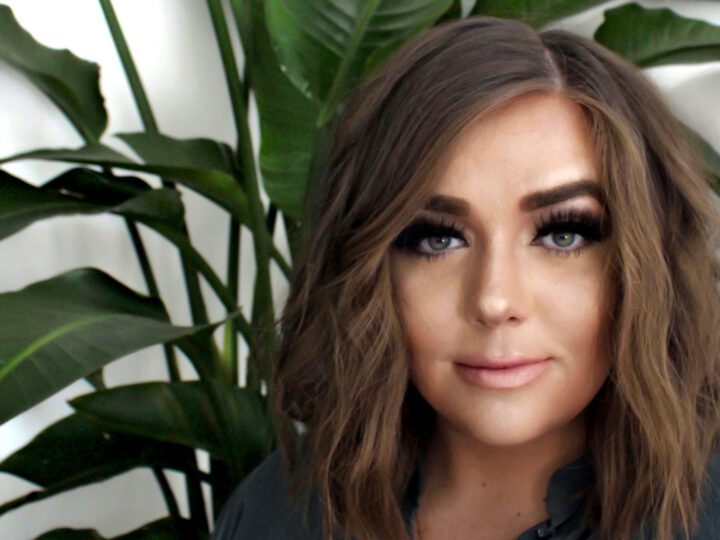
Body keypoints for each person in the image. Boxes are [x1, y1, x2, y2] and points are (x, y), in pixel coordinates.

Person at [211, 15, 720, 540]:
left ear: (645, 262)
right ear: (373, 269)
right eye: (438, 239)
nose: (495, 300)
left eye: (563, 234)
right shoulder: (279, 512)